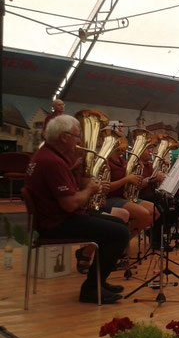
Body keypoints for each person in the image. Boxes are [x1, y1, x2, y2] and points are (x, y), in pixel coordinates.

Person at [25, 115, 130, 304]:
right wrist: (90, 189)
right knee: (120, 233)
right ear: (64, 137)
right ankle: (90, 289)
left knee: (118, 223)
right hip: (57, 223)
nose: (80, 141)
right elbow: (70, 204)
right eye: (76, 136)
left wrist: (73, 171)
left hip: (55, 217)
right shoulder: (53, 162)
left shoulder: (45, 155)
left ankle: (98, 282)